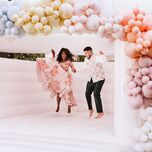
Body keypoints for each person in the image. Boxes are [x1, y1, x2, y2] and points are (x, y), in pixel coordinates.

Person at [36, 48, 77, 113]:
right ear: (61, 54)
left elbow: (73, 68)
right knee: (59, 93)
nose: (63, 55)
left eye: (65, 54)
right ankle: (58, 106)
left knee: (68, 92)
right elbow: (52, 64)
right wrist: (53, 54)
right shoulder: (58, 61)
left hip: (66, 78)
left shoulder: (69, 61)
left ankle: (69, 107)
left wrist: (74, 69)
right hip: (59, 78)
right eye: (62, 54)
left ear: (67, 55)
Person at [83, 46, 106, 119]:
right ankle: (90, 109)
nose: (85, 54)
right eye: (85, 53)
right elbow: (85, 68)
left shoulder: (97, 57)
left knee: (96, 94)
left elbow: (103, 62)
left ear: (90, 51)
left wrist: (102, 55)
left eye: (86, 52)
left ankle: (100, 112)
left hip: (99, 78)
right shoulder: (86, 59)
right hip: (91, 79)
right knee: (87, 93)